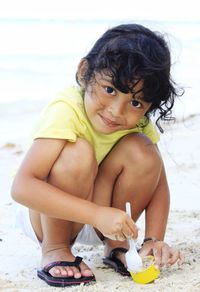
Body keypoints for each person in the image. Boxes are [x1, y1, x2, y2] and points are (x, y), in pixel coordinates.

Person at [11, 23, 184, 287]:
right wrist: (95, 215)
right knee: (77, 152)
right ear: (84, 72)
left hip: (109, 224)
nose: (117, 111)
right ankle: (55, 249)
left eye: (136, 103)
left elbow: (158, 183)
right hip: (50, 217)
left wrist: (153, 239)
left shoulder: (138, 124)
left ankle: (117, 247)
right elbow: (22, 187)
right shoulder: (67, 109)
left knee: (143, 151)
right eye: (110, 90)